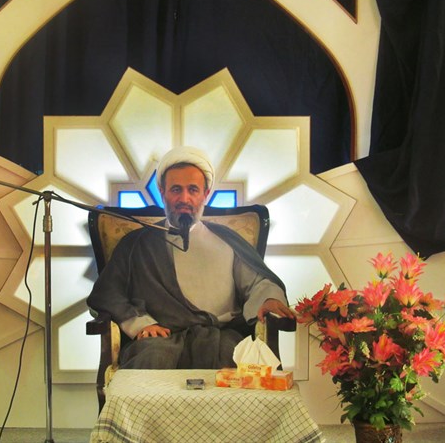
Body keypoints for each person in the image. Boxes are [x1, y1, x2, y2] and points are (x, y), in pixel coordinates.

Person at [87, 146, 295, 369]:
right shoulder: (136, 243)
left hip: (220, 337)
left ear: (206, 194)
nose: (184, 198)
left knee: (236, 363)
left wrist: (267, 300)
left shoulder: (228, 240)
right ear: (162, 192)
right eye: (175, 189)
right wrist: (140, 324)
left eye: (193, 190)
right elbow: (108, 293)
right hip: (157, 339)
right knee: (152, 360)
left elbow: (257, 283)